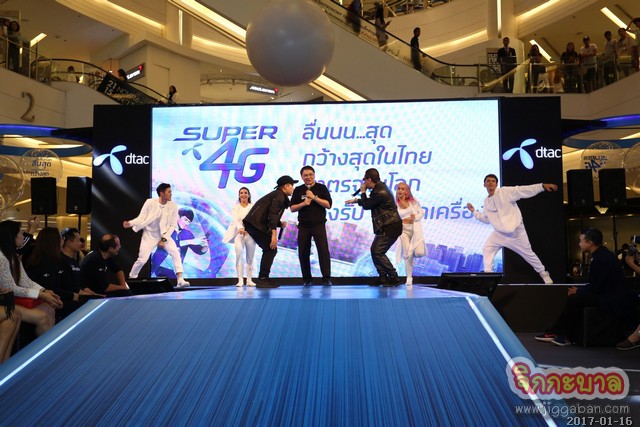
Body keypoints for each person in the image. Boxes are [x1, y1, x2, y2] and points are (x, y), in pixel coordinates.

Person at [536, 228, 636, 347]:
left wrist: (578, 290)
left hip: (611, 299)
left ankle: (564, 335)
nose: (579, 244)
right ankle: (558, 332)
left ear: (590, 243)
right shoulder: (601, 255)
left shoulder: (601, 259)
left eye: (581, 240)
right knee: (576, 299)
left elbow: (596, 287)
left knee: (574, 299)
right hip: (607, 295)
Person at [466, 174, 556, 284]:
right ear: (484, 184)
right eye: (488, 181)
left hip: (516, 233)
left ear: (496, 184)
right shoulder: (486, 201)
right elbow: (486, 219)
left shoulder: (504, 192)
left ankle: (544, 274)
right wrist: (474, 211)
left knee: (529, 255)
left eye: (493, 181)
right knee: (487, 248)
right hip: (499, 233)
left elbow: (522, 190)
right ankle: (489, 276)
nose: (490, 182)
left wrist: (541, 186)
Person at [24, 227, 101, 319]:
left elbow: (68, 287)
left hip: (56, 297)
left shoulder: (55, 260)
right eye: (61, 238)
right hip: (45, 300)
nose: (63, 240)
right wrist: (75, 296)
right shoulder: (45, 261)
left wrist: (83, 295)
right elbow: (50, 288)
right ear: (53, 241)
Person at [0, 220, 60, 337]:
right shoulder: (2, 258)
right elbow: (11, 288)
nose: (24, 237)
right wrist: (41, 295)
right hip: (5, 302)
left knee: (49, 309)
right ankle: (43, 348)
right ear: (11, 237)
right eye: (21, 233)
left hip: (10, 300)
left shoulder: (13, 256)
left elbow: (25, 281)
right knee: (43, 317)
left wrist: (44, 291)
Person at [123, 183, 190, 287]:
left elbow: (173, 225)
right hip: (149, 236)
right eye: (169, 192)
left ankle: (180, 280)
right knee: (142, 260)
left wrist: (164, 239)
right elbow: (141, 217)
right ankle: (131, 279)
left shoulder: (173, 206)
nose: (171, 194)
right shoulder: (150, 202)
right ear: (161, 193)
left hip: (164, 235)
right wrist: (130, 223)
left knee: (175, 253)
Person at [346, 168, 403, 286]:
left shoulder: (379, 191)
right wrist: (357, 200)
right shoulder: (379, 189)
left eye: (364, 180)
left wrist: (362, 192)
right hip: (387, 225)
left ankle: (394, 277)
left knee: (378, 252)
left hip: (390, 226)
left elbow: (367, 205)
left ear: (369, 180)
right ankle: (383, 277)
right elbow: (371, 202)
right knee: (375, 251)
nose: (364, 183)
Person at [243, 175, 297, 288]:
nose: (293, 188)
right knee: (270, 249)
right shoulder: (279, 196)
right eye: (292, 185)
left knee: (270, 249)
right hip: (255, 224)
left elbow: (268, 213)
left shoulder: (278, 195)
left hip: (254, 223)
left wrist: (279, 223)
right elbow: (272, 214)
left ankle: (263, 278)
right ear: (286, 186)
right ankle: (263, 279)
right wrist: (274, 235)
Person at [290, 166, 333, 286]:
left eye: (310, 174)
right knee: (303, 252)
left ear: (314, 175)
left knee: (323, 251)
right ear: (302, 177)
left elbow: (328, 205)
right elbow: (292, 208)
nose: (308, 177)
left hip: (318, 225)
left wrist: (314, 197)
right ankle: (307, 279)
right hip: (303, 226)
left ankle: (326, 278)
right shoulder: (298, 190)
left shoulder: (321, 188)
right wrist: (304, 203)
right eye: (305, 175)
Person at [151, 207, 209, 279]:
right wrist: (191, 241)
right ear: (177, 216)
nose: (186, 223)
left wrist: (205, 246)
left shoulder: (187, 234)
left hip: (174, 269)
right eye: (185, 220)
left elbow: (198, 250)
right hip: (158, 266)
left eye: (189, 222)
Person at [222, 188, 256, 287]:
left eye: (245, 193)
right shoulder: (235, 208)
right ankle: (240, 280)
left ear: (249, 195)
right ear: (239, 195)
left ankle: (249, 280)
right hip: (239, 234)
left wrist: (249, 229)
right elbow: (237, 219)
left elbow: (254, 220)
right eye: (241, 193)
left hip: (250, 234)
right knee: (239, 256)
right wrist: (241, 228)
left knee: (250, 258)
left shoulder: (253, 207)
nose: (243, 195)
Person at [394, 182, 425, 286]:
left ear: (407, 191)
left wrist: (415, 217)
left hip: (415, 230)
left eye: (403, 189)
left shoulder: (413, 202)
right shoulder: (395, 204)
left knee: (419, 253)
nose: (400, 190)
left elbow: (421, 213)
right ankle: (409, 277)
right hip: (404, 231)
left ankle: (413, 255)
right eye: (399, 188)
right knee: (407, 255)